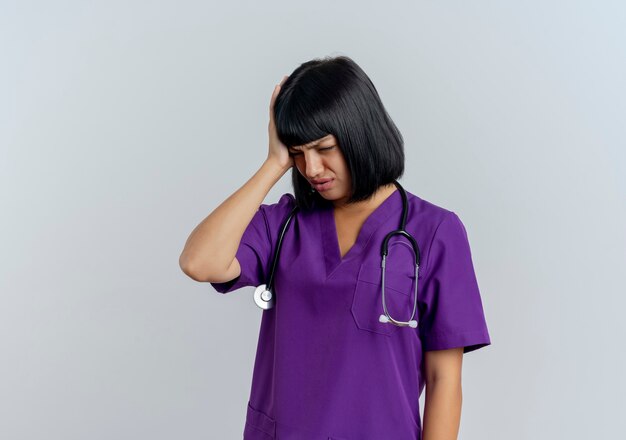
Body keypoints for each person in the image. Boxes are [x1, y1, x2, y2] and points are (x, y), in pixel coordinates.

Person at [179, 55, 491, 440]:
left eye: (323, 147)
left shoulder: (435, 232)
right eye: (297, 153)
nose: (310, 169)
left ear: (360, 131)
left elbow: (444, 377)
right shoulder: (283, 224)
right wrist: (273, 164)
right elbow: (199, 261)